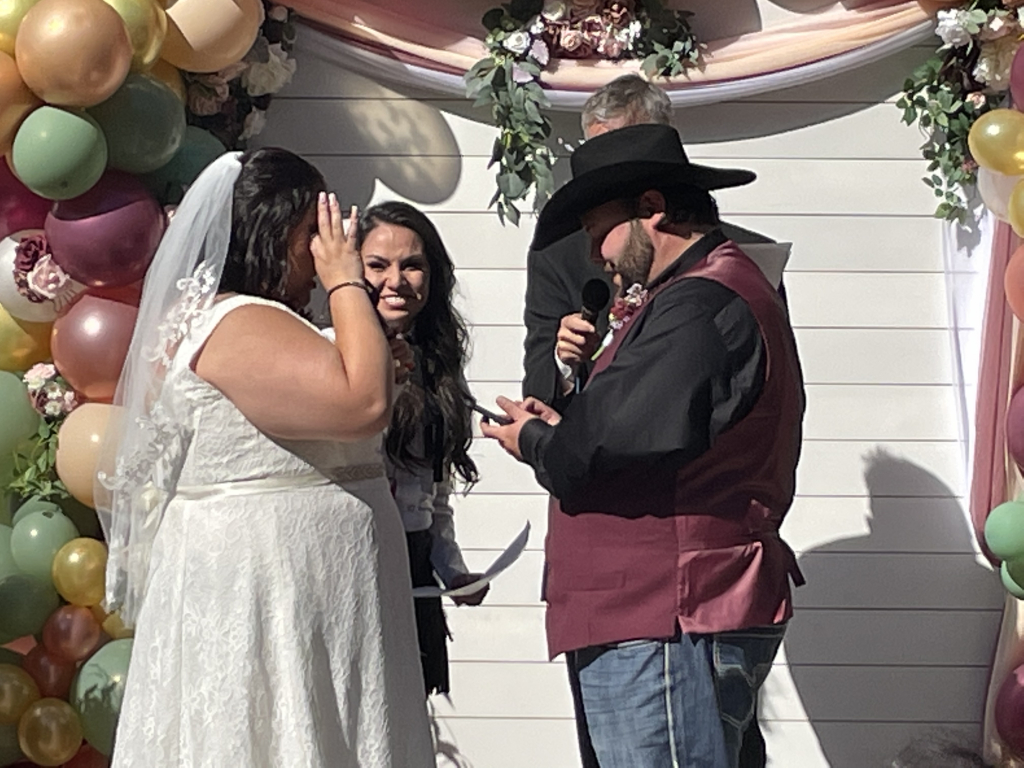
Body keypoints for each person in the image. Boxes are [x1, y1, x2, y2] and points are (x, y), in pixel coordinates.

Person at [96, 148, 434, 767]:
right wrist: (345, 282)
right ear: (276, 235)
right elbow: (362, 404)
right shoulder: (235, 321)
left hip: (319, 595)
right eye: (314, 232)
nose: (326, 248)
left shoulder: (261, 321)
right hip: (271, 593)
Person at [482, 124, 805, 768]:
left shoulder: (702, 299)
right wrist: (560, 422)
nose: (593, 254)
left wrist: (538, 440)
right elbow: (633, 428)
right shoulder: (693, 294)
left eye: (597, 230)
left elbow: (597, 446)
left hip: (666, 614)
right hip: (654, 614)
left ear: (652, 209)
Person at [523, 74, 778, 411]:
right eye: (598, 151)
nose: (610, 172)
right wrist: (564, 363)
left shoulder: (738, 258)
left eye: (627, 149)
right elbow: (538, 389)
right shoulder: (559, 256)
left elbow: (772, 384)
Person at [358, 200, 488, 696]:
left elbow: (433, 488)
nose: (396, 281)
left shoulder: (437, 360)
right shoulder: (328, 349)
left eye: (412, 265)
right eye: (377, 265)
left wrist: (452, 571)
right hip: (357, 558)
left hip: (413, 565)